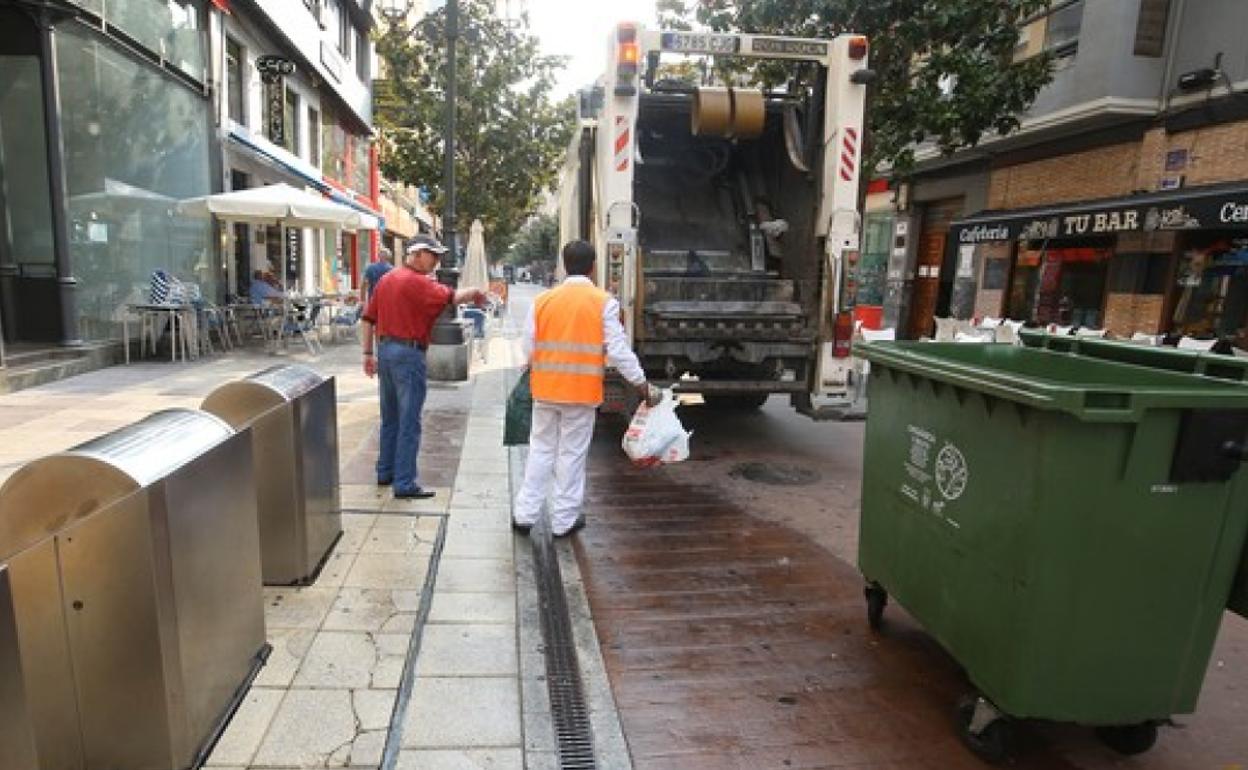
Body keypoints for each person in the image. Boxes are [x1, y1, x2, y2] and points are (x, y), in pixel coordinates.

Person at [513, 240, 658, 537]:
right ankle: (563, 520)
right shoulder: (603, 302)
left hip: (545, 390)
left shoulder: (543, 301)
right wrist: (642, 384)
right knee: (571, 455)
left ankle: (524, 515)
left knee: (540, 449)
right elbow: (618, 351)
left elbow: (527, 347)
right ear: (593, 267)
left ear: (564, 265)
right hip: (580, 393)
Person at [361, 235, 485, 499]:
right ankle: (405, 483)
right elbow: (453, 298)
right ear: (417, 254)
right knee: (409, 421)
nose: (437, 261)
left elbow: (368, 318)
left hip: (385, 352)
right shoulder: (418, 282)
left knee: (390, 418)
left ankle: (385, 471)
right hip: (409, 354)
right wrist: (474, 292)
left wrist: (367, 353)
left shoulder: (386, 279)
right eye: (434, 255)